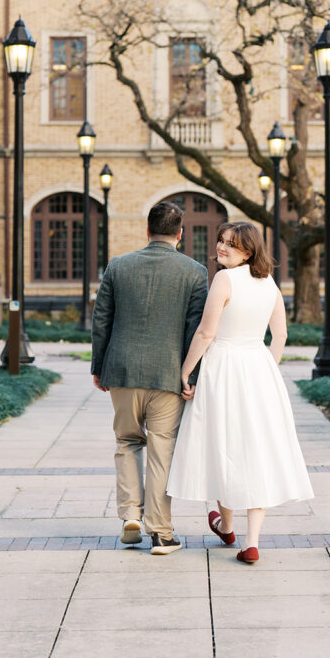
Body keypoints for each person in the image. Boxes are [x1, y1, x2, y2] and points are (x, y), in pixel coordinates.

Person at [167, 221, 314, 564]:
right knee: (255, 448)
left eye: (230, 245)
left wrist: (186, 370)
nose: (221, 248)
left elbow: (205, 333)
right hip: (258, 368)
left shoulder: (224, 279)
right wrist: (268, 367)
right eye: (220, 241)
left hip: (223, 367)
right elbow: (280, 335)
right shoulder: (269, 283)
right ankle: (249, 540)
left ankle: (228, 525)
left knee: (223, 444)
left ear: (248, 251)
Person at [92, 201, 208, 555]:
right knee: (162, 451)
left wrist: (99, 366)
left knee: (127, 442)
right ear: (180, 234)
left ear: (147, 230)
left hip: (122, 371)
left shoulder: (118, 266)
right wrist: (192, 376)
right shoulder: (195, 271)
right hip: (169, 374)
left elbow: (101, 320)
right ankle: (160, 531)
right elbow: (195, 329)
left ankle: (130, 515)